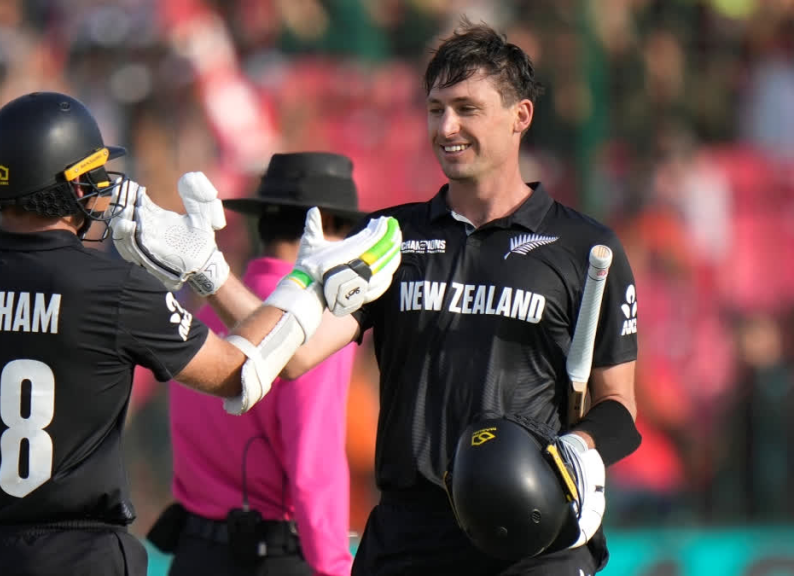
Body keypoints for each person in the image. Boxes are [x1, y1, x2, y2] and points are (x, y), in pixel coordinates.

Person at [111, 21, 641, 576]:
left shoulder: (585, 248)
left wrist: (579, 450)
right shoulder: (389, 237)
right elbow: (292, 357)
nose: (447, 127)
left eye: (467, 109)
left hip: (532, 541)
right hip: (410, 538)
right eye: (435, 110)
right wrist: (211, 272)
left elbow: (618, 406)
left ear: (520, 116)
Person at [0, 92, 402, 576]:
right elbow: (239, 374)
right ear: (75, 185)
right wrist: (297, 282)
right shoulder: (111, 287)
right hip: (85, 557)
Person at [160, 152, 363, 576]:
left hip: (194, 553)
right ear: (327, 226)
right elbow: (314, 466)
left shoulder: (207, 314)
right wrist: (335, 568)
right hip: (270, 556)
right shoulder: (317, 327)